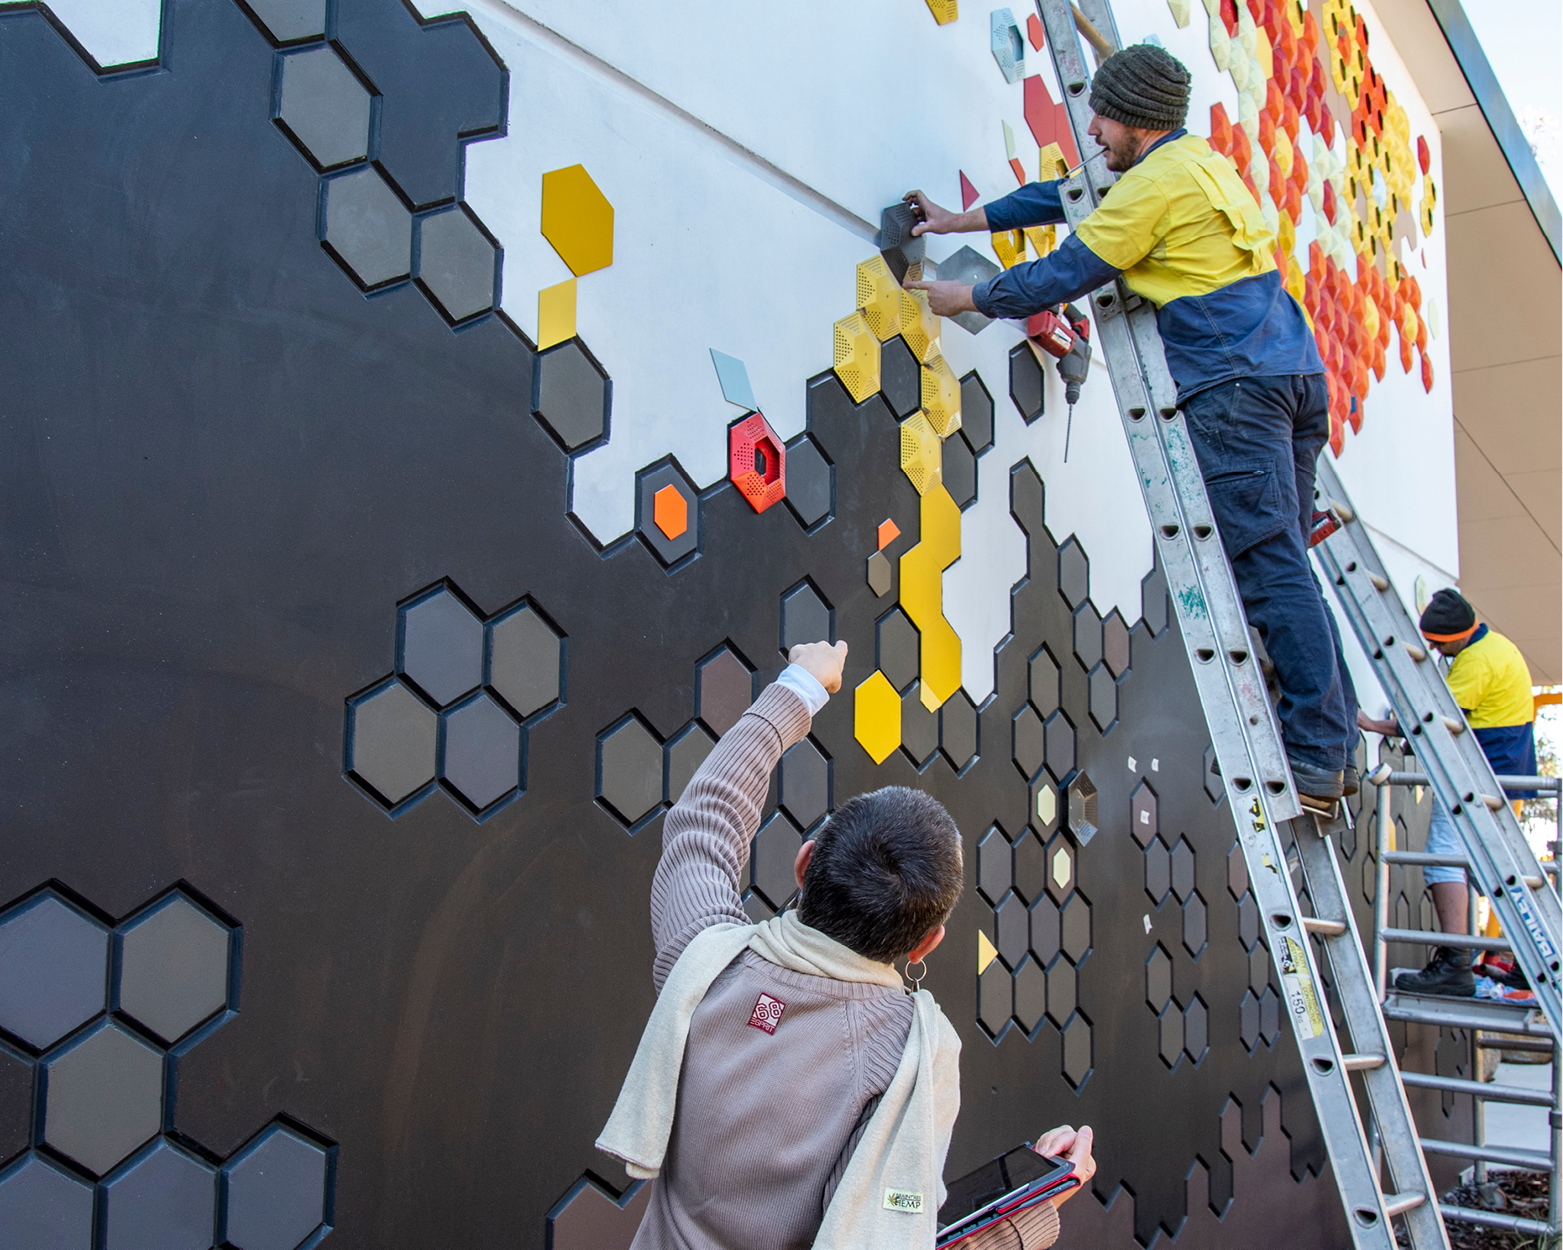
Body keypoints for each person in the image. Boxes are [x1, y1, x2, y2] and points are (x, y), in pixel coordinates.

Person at [901, 43, 1360, 807]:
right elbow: (1067, 197)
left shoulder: (1150, 192)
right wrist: (961, 218)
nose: (1091, 126)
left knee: (1267, 567)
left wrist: (969, 299)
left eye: (1100, 114)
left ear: (1133, 120)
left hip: (1234, 383)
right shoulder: (1196, 164)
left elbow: (1065, 271)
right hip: (1290, 372)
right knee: (1286, 568)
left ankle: (1313, 756)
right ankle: (1327, 752)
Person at [597, 639, 1096, 1249]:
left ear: (804, 863)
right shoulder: (907, 1061)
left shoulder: (704, 960)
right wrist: (1031, 1217)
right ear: (927, 945)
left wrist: (800, 685)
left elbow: (706, 820)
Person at [1359, 589, 1539, 997]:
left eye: (1439, 643)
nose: (1434, 649)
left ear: (1459, 634)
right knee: (1489, 868)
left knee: (1443, 857)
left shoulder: (1476, 661)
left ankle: (1455, 962)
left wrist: (1372, 724)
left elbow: (1431, 722)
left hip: (1480, 775)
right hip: (1500, 772)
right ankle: (1532, 961)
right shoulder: (1496, 646)